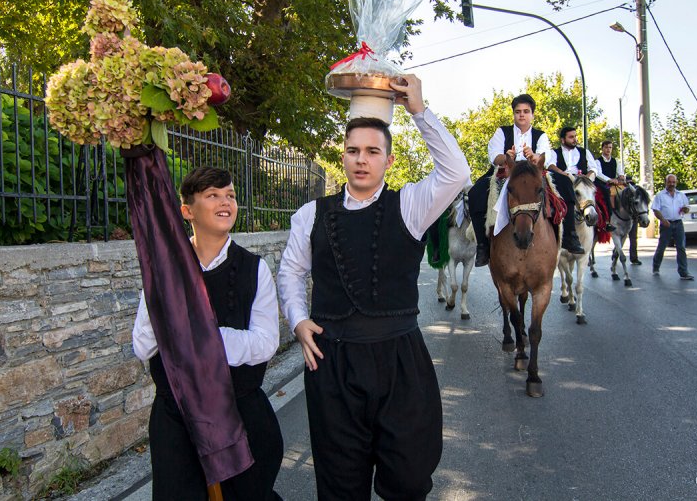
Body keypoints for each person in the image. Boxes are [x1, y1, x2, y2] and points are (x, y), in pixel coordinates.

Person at [277, 74, 471, 500]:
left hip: (400, 363)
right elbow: (290, 271)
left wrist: (418, 110)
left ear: (389, 159)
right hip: (332, 366)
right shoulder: (310, 215)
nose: (360, 160)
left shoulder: (411, 206)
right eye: (352, 151)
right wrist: (298, 320)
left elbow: (456, 173)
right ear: (341, 156)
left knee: (407, 479)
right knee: (339, 485)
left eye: (371, 151)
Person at [132, 167, 284, 500]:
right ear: (187, 211)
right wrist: (160, 290)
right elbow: (143, 347)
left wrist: (200, 336)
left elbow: (265, 343)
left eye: (229, 195)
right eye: (212, 195)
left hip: (240, 412)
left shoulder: (254, 269)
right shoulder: (164, 270)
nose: (225, 201)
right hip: (177, 420)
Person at [468, 93, 551, 267]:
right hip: (505, 173)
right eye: (518, 111)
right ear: (513, 114)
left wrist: (534, 156)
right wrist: (506, 157)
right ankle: (483, 245)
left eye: (526, 111)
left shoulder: (541, 135)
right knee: (476, 193)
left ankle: (567, 237)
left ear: (532, 115)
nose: (522, 114)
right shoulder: (502, 131)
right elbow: (494, 156)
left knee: (565, 187)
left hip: (531, 175)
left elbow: (546, 156)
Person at [546, 126, 598, 254]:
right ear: (563, 140)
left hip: (583, 180)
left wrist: (587, 177)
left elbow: (593, 168)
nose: (575, 139)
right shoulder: (554, 152)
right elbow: (550, 165)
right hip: (564, 180)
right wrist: (563, 174)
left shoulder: (584, 152)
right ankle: (564, 232)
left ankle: (604, 222)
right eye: (571, 137)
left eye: (575, 136)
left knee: (604, 192)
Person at [651, 173, 694, 280]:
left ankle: (684, 272)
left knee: (681, 247)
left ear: (676, 183)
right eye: (669, 182)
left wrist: (685, 210)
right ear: (666, 182)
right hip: (666, 224)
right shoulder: (660, 195)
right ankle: (656, 266)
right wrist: (663, 220)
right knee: (662, 247)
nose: (671, 184)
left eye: (673, 182)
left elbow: (687, 208)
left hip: (678, 223)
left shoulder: (681, 195)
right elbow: (656, 209)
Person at [594, 140, 624, 232]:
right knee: (606, 193)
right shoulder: (597, 161)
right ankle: (607, 221)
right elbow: (599, 174)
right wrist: (610, 180)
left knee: (629, 191)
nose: (608, 149)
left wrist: (621, 177)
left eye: (610, 147)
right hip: (602, 183)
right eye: (606, 147)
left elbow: (620, 173)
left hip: (614, 182)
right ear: (602, 149)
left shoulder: (615, 161)